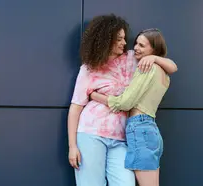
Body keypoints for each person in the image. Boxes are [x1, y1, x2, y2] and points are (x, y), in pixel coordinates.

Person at [67, 14, 177, 186]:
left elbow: (170, 66)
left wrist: (155, 57)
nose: (125, 43)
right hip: (91, 133)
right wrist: (72, 146)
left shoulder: (133, 58)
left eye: (124, 39)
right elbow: (75, 108)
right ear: (105, 40)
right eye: (119, 39)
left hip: (122, 138)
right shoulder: (88, 69)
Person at [89, 28, 170, 186]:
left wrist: (96, 96)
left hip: (140, 129)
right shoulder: (164, 72)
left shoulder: (146, 68)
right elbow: (173, 66)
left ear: (153, 49)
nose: (136, 49)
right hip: (151, 130)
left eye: (142, 45)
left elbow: (125, 103)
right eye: (136, 44)